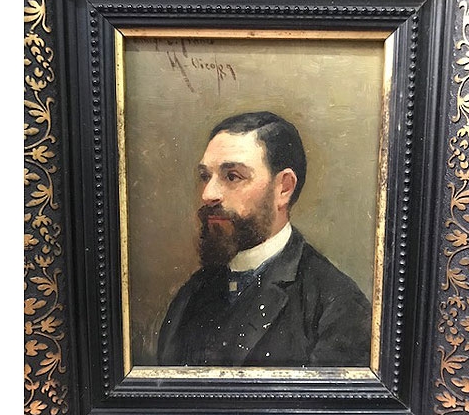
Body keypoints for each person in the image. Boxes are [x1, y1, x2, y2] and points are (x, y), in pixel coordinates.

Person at [157, 111, 371, 367]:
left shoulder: (337, 307)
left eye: (232, 176)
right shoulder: (190, 296)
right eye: (205, 176)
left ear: (284, 188)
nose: (208, 194)